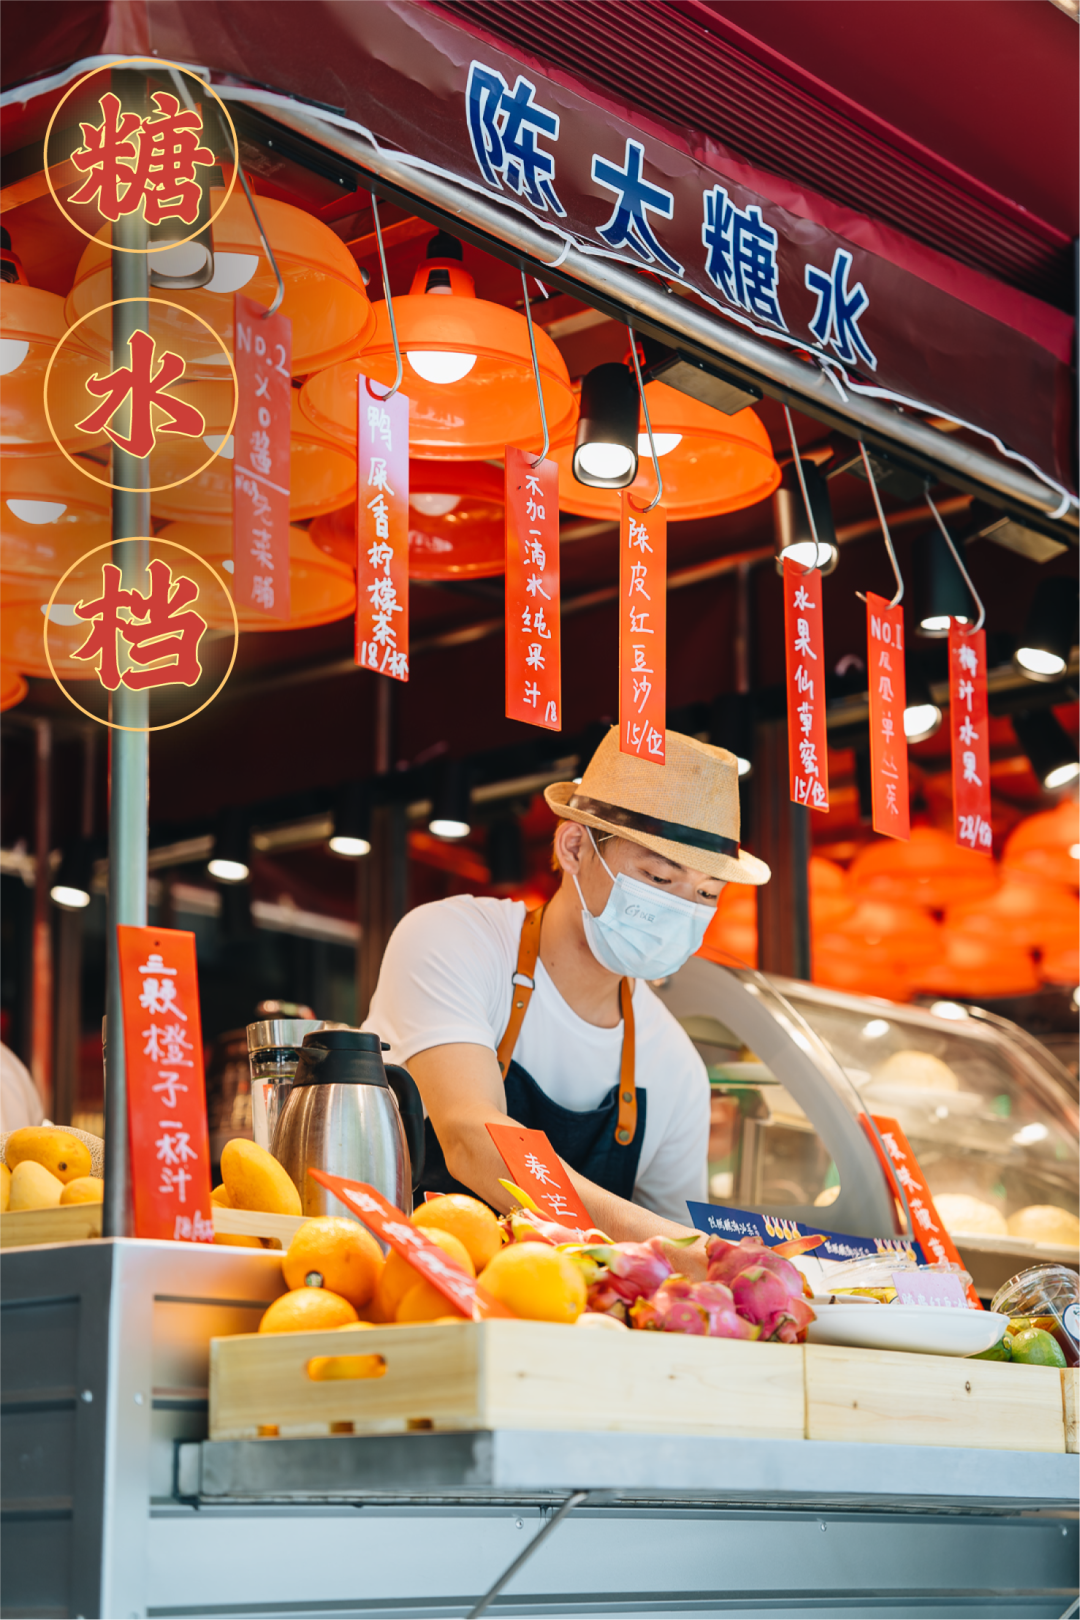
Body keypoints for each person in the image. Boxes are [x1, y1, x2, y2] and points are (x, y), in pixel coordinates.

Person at [364, 727, 769, 1255]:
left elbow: (669, 1255)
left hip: (564, 1305)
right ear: (575, 847)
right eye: (659, 879)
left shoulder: (675, 1066)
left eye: (708, 893)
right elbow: (469, 1135)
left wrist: (700, 1254)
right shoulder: (454, 939)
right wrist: (694, 1248)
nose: (683, 909)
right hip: (398, 1282)